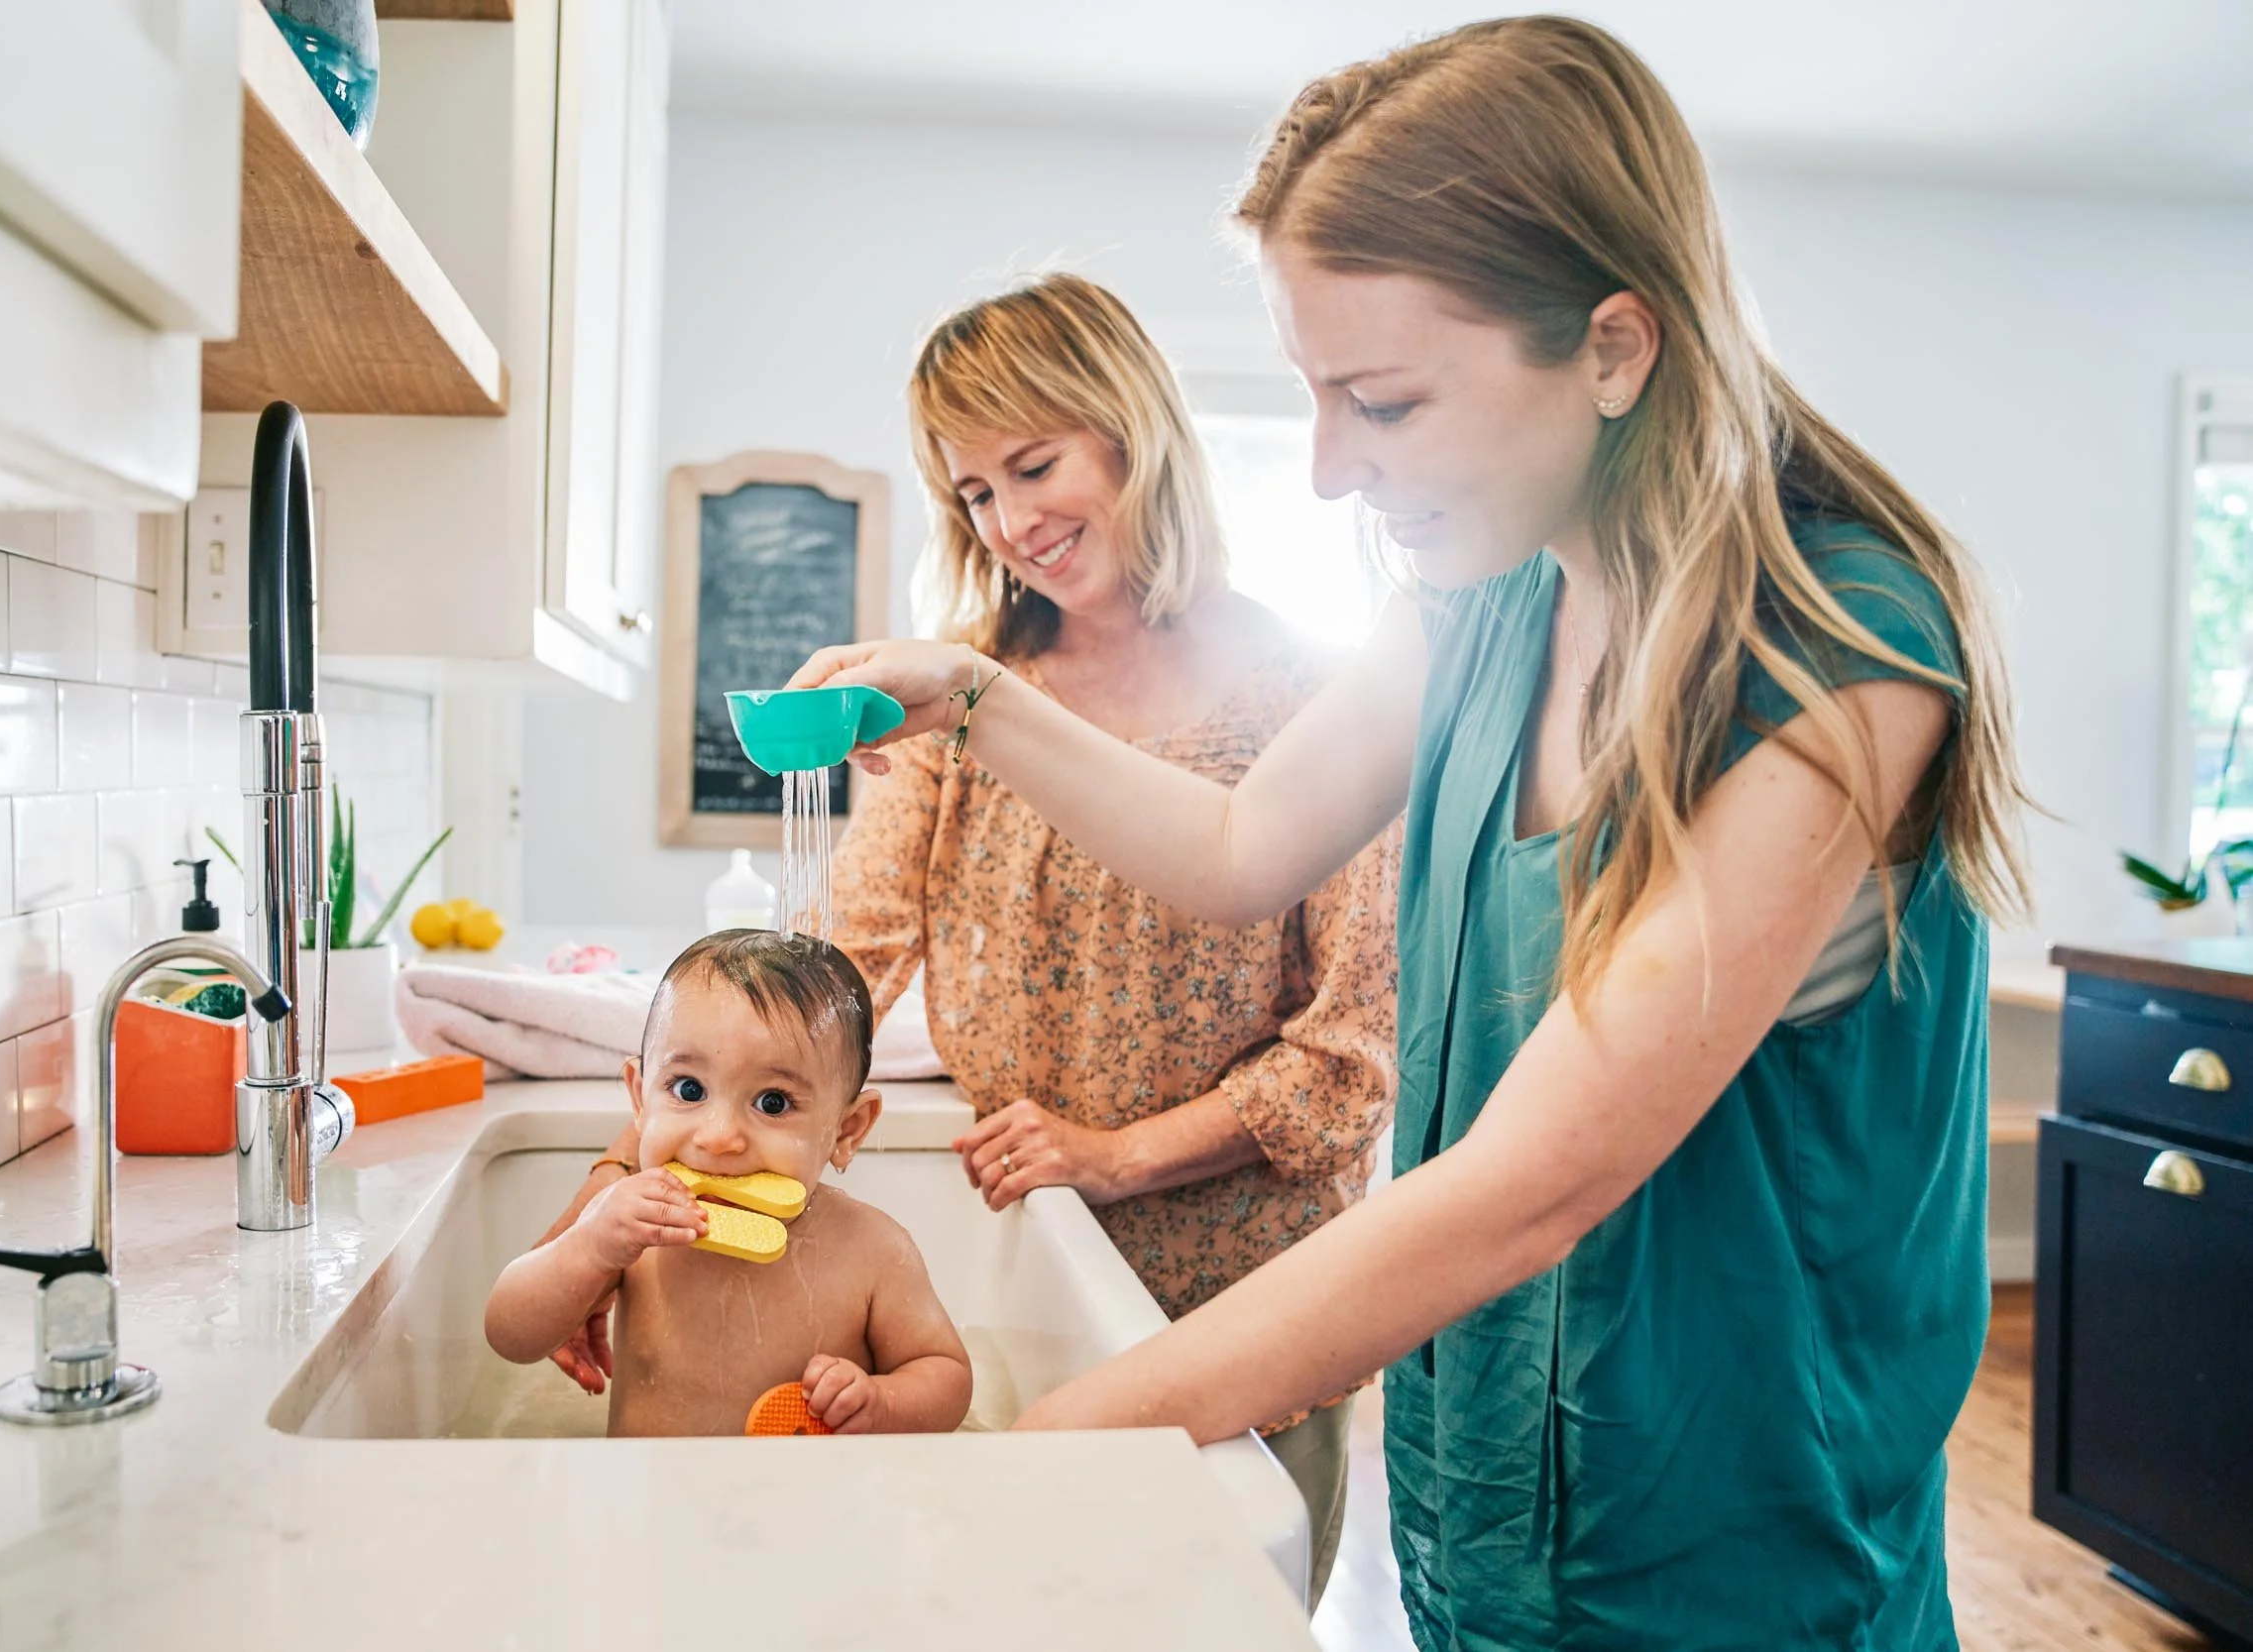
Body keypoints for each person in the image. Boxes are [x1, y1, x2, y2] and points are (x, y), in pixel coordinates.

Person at [794, 18, 2029, 1649]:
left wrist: (1027, 1460)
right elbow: (1240, 846)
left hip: (1743, 1562)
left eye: (1377, 401)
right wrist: (972, 698)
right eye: (1315, 396)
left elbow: (1535, 1182)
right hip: (1489, 1523)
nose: (1323, 471)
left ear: (1612, 347)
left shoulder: (1843, 659)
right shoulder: (1481, 602)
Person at [833, 272, 1403, 1605]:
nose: (1013, 522)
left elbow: (1351, 1052)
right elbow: (847, 963)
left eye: (1035, 464)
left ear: (1133, 427)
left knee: (1222, 1616)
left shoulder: (1318, 701)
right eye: (975, 491)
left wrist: (1120, 1155)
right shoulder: (960, 702)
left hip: (1256, 1297)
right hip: (1029, 1278)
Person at [484, 931, 973, 1437]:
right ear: (639, 1098)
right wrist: (587, 1249)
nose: (719, 1138)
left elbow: (946, 1373)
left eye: (773, 1103)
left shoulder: (870, 1250)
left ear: (846, 1130)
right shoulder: (629, 1230)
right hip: (654, 1503)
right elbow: (510, 1336)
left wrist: (882, 1403)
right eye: (689, 1090)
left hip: (810, 1509)